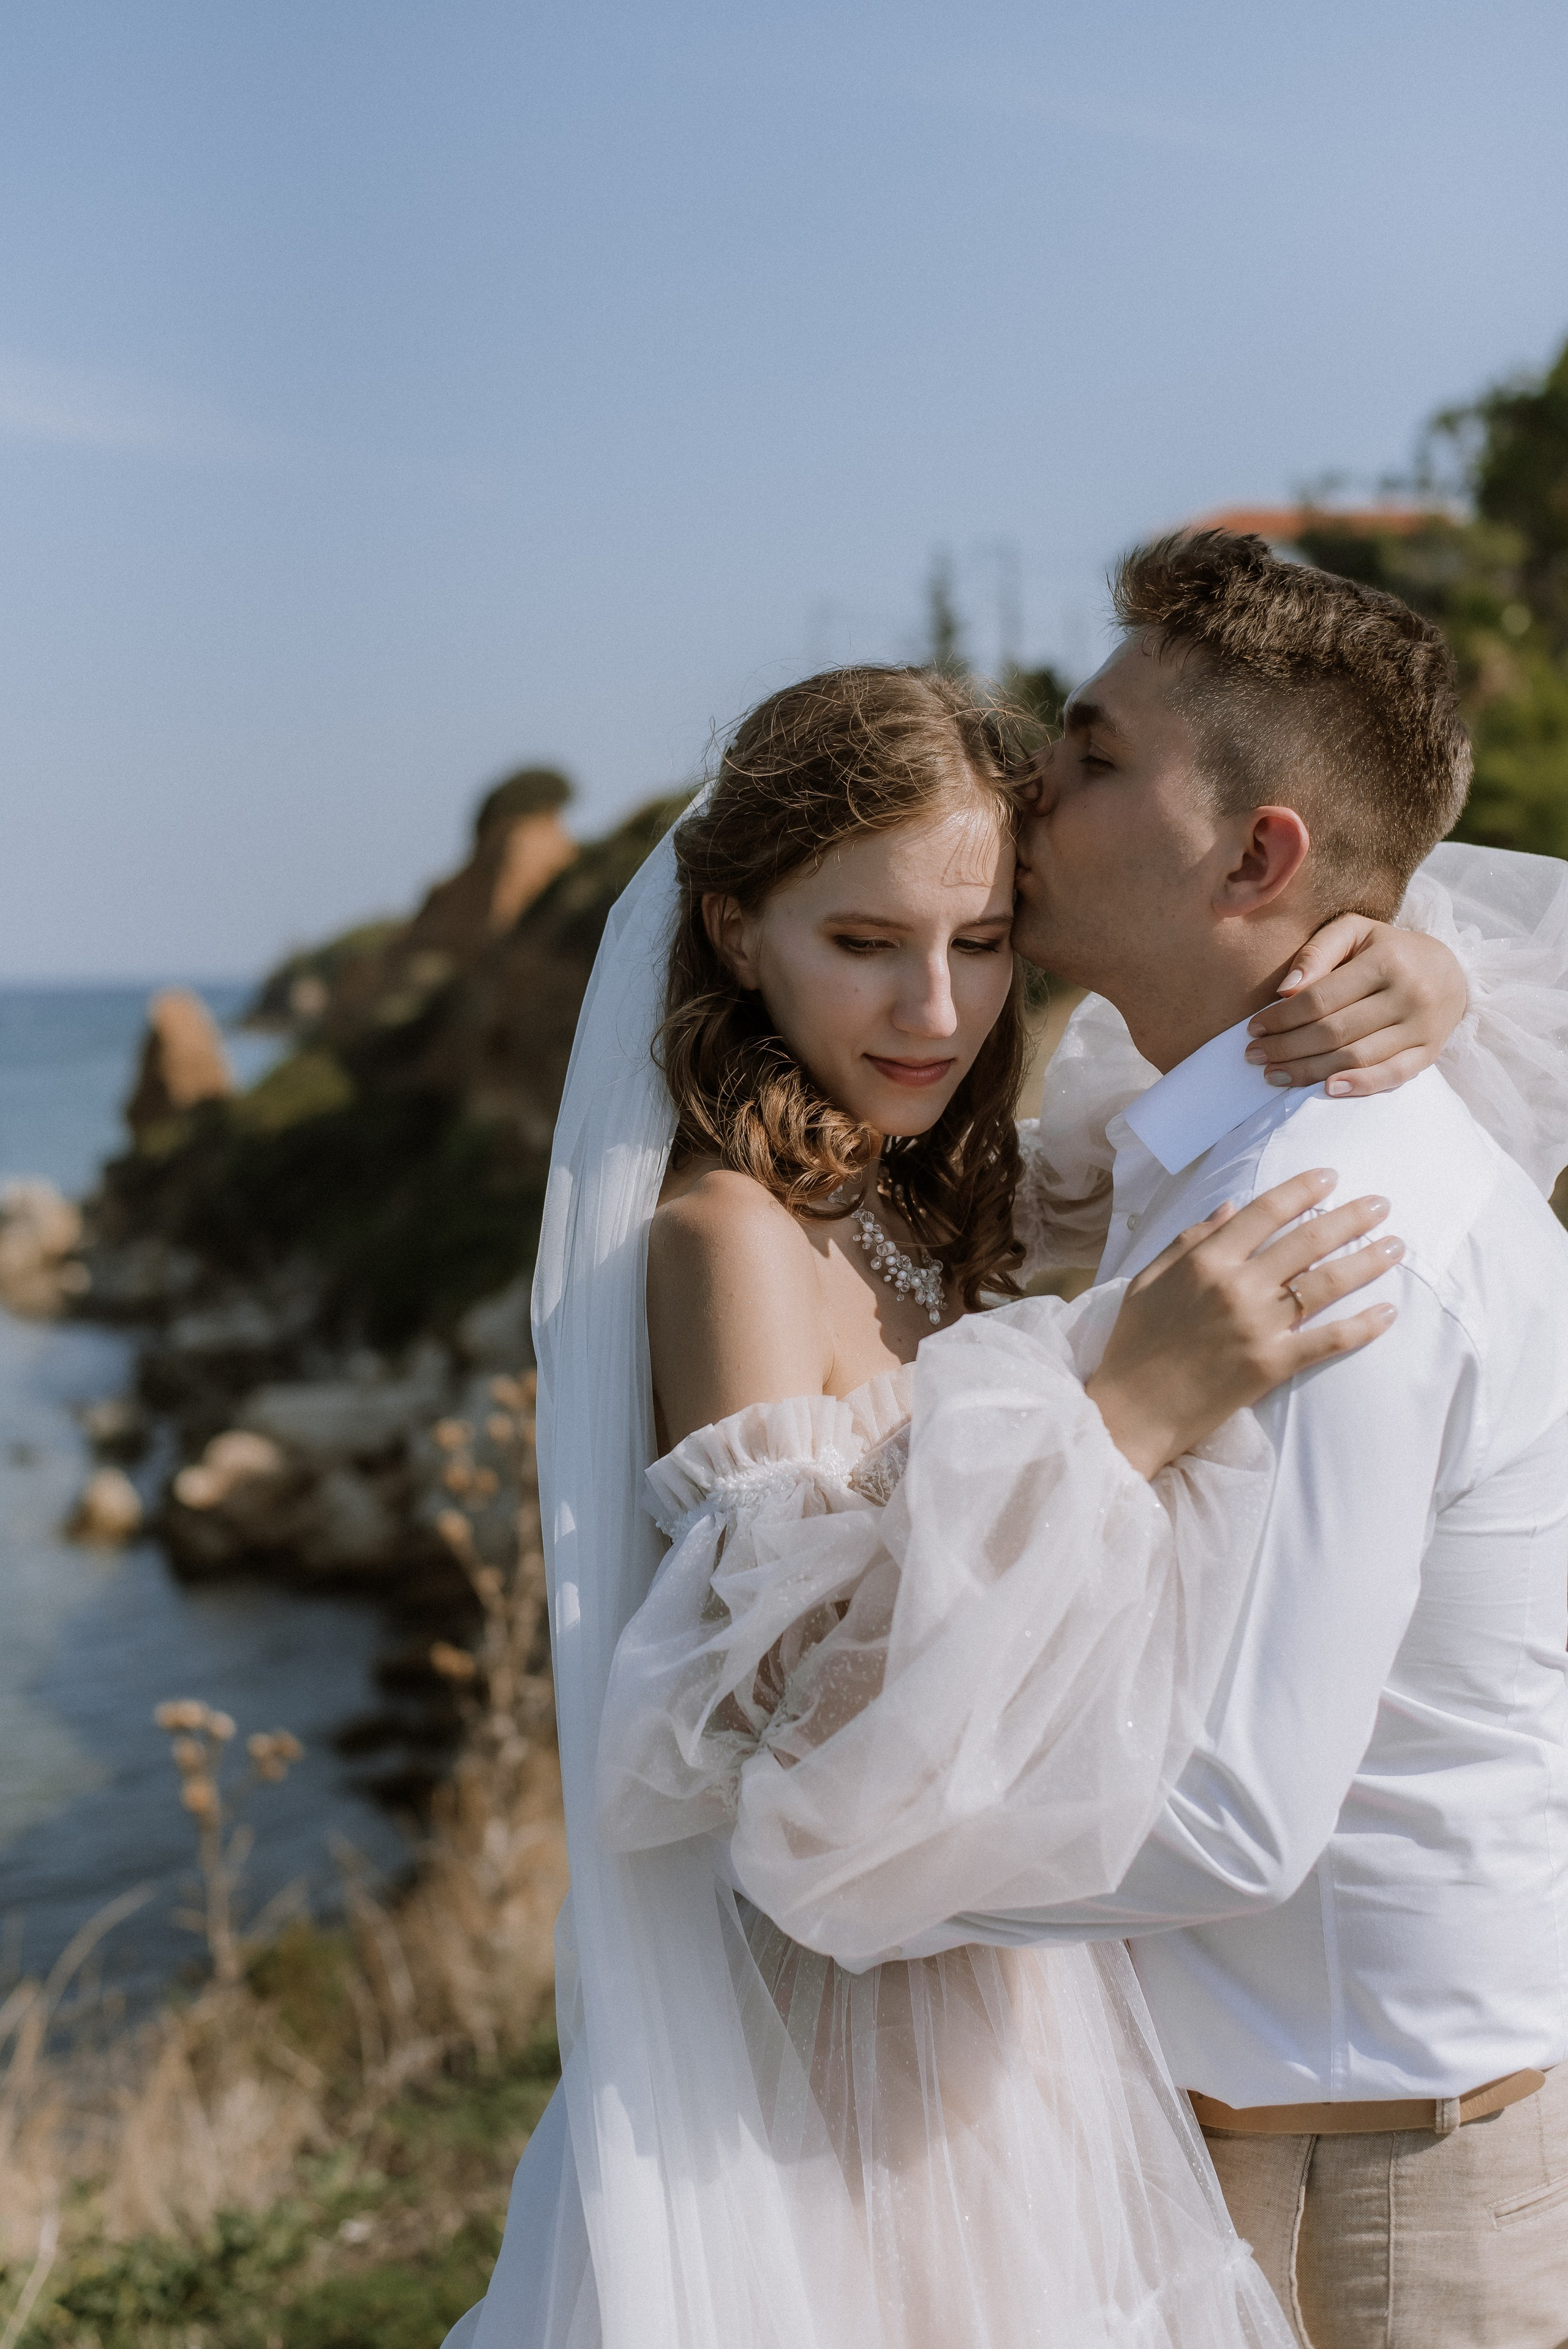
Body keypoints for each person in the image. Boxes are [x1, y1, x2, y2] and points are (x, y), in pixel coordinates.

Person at [445, 653, 1568, 2349]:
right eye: (865, 944)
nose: (936, 1014)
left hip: (1047, 2027)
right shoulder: (728, 1240)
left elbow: (1322, 1030)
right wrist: (1116, 1413)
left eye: (980, 945)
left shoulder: (967, 1196)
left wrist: (1406, 963)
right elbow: (795, 1715)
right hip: (855, 2060)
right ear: (739, 933)